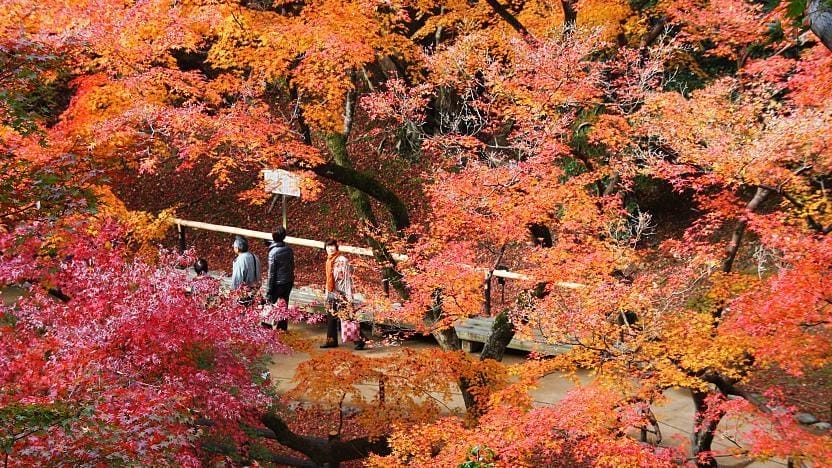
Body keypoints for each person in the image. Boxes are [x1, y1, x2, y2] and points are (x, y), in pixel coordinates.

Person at [320, 238, 365, 350]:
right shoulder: (329, 260)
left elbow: (346, 280)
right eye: (328, 246)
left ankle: (360, 340)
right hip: (332, 291)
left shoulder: (342, 260)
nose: (330, 248)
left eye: (332, 246)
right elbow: (328, 279)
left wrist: (348, 296)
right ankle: (331, 341)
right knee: (331, 317)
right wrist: (327, 292)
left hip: (341, 292)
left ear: (336, 247)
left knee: (346, 316)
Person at [266, 227, 294, 331]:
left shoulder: (273, 253)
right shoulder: (289, 250)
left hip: (278, 283)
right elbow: (292, 265)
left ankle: (266, 328)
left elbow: (271, 273)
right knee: (284, 304)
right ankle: (282, 328)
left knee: (269, 304)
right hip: (288, 281)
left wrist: (269, 290)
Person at [230, 235, 260, 305]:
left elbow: (236, 281)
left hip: (243, 296)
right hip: (254, 292)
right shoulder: (255, 256)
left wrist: (233, 297)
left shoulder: (240, 260)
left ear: (237, 248)